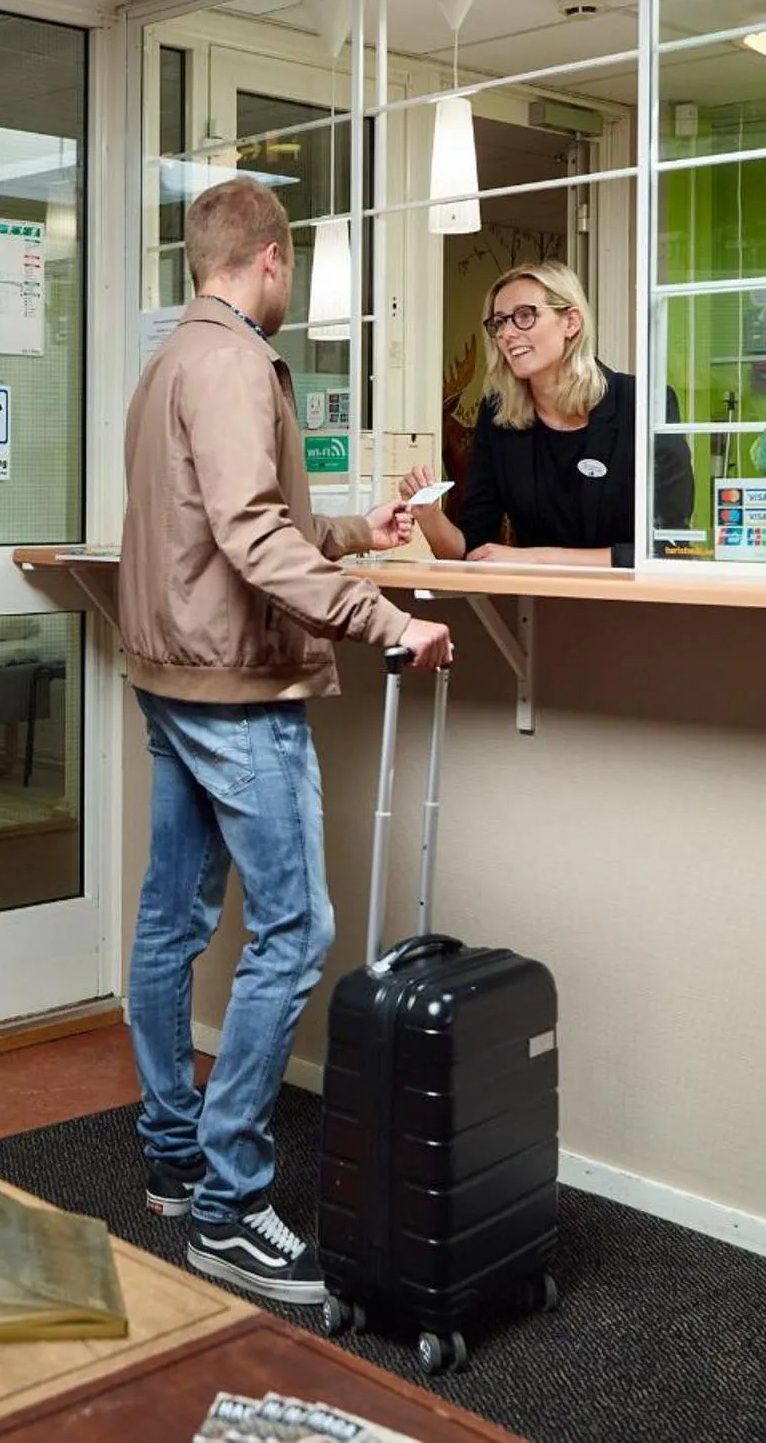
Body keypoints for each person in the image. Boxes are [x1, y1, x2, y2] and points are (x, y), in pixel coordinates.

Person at [119, 176, 452, 1307]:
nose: (290, 283)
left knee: (172, 923)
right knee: (296, 928)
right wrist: (387, 614)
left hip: (172, 677)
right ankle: (227, 1205)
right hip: (235, 690)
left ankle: (172, 1157)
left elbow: (245, 518)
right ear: (268, 258)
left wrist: (364, 532)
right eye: (290, 265)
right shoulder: (232, 362)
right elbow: (253, 535)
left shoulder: (172, 358)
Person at [402, 259, 693, 568]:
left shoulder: (643, 403)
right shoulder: (498, 414)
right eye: (499, 322)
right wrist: (429, 514)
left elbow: (671, 546)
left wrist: (538, 557)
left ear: (571, 322)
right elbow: (471, 548)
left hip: (637, 606)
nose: (506, 334)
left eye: (524, 316)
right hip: (536, 609)